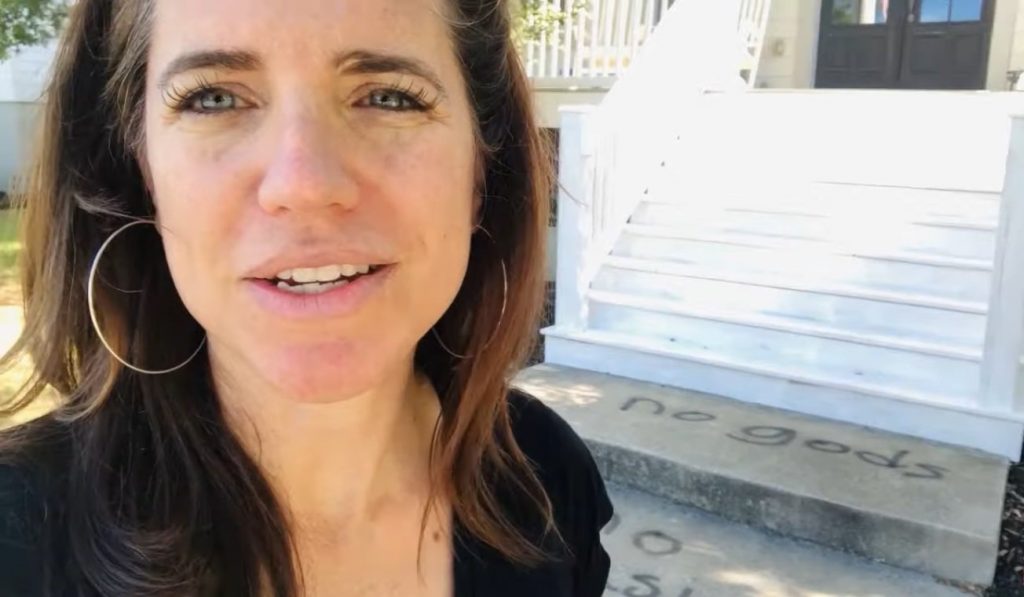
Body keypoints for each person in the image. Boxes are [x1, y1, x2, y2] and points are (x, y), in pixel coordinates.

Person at [0, 0, 613, 595]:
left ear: (482, 168)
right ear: (141, 172)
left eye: (387, 97)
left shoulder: (548, 481)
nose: (304, 185)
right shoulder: (16, 538)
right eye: (214, 98)